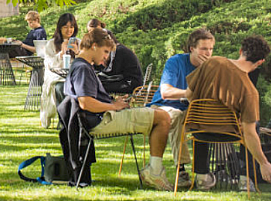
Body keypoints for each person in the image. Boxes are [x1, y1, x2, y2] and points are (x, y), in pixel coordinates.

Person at [64, 27, 174, 190]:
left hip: (99, 118)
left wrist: (113, 101)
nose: (106, 57)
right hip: (101, 121)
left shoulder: (81, 65)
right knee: (163, 117)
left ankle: (154, 170)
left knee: (160, 114)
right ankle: (155, 172)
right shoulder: (82, 68)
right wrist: (113, 106)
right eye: (105, 51)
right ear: (94, 46)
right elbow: (85, 103)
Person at [185, 36, 271, 190]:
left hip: (198, 130)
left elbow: (189, 95)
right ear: (260, 62)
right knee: (253, 126)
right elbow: (250, 135)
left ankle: (202, 176)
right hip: (229, 133)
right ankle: (246, 179)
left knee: (204, 115)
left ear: (240, 51)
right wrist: (264, 163)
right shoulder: (250, 91)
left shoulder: (212, 62)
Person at [147, 27, 214, 188]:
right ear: (192, 49)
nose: (208, 53)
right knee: (176, 116)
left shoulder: (211, 66)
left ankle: (214, 170)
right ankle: (181, 169)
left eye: (211, 49)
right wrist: (187, 94)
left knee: (212, 118)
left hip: (191, 110)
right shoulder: (176, 62)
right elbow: (165, 92)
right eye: (203, 49)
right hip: (163, 106)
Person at [41, 13, 80, 128]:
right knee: (60, 88)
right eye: (66, 27)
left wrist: (77, 52)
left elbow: (85, 61)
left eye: (71, 27)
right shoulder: (51, 44)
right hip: (57, 76)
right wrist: (61, 54)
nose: (69, 30)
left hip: (74, 76)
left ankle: (74, 119)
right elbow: (50, 64)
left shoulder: (78, 42)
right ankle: (63, 118)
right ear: (60, 28)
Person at [89, 19, 143, 94]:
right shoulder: (107, 53)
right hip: (117, 81)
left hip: (131, 84)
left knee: (97, 86)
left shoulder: (121, 52)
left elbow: (113, 73)